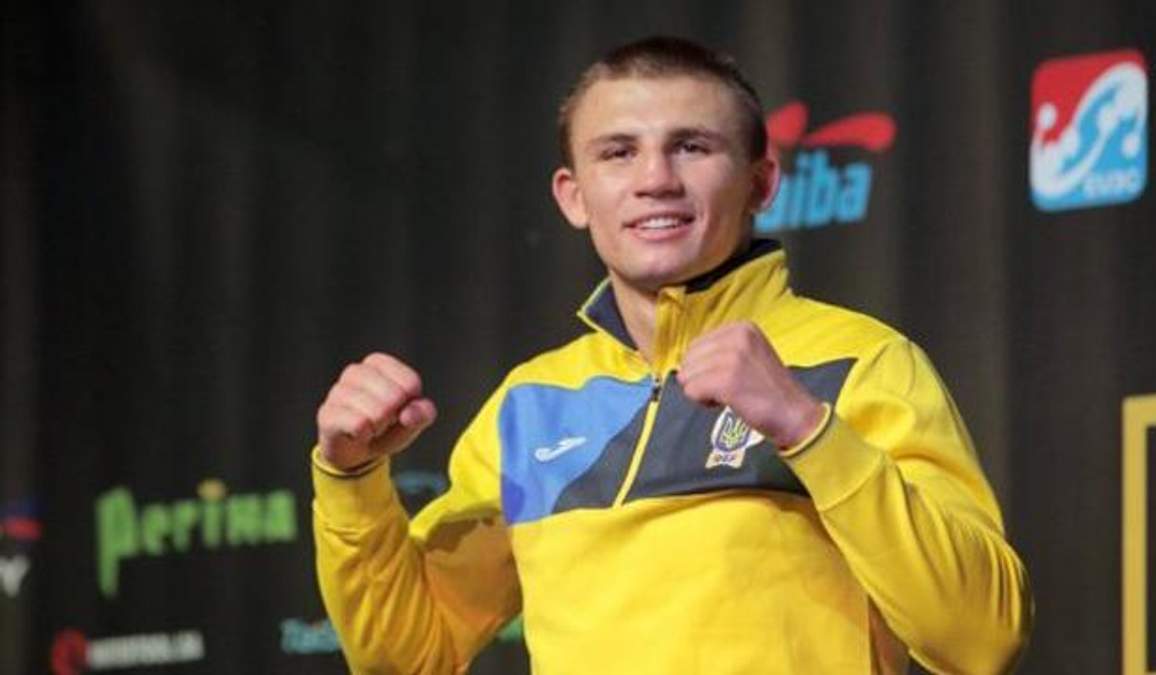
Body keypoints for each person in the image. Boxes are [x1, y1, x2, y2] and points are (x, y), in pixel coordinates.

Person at [310, 36, 1032, 675]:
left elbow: (981, 640)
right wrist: (352, 478)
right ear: (574, 196)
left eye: (692, 147)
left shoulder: (861, 363)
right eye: (618, 152)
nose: (655, 178)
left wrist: (806, 429)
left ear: (760, 182)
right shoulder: (530, 403)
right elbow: (411, 656)